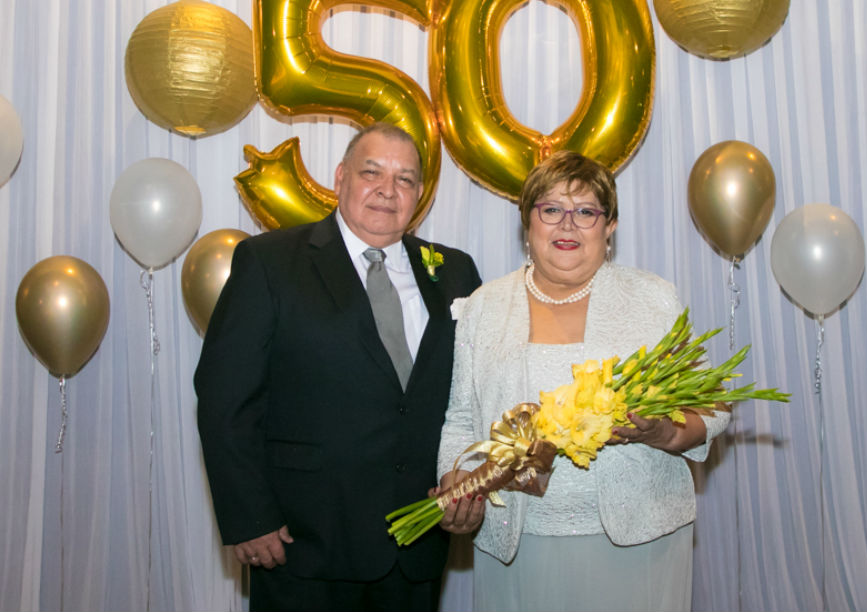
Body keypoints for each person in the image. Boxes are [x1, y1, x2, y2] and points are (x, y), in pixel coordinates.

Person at [195, 122, 481, 612]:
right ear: (340, 177)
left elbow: (472, 394)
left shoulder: (454, 271)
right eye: (372, 173)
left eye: (406, 179)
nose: (388, 191)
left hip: (416, 548)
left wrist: (470, 481)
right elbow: (226, 399)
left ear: (420, 193)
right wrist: (248, 517)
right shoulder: (269, 261)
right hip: (301, 544)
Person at [436, 151, 729, 612]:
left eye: (586, 212)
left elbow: (713, 405)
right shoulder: (482, 306)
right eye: (551, 209)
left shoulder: (653, 298)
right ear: (527, 223)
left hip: (638, 542)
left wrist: (667, 431)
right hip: (516, 542)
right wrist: (456, 487)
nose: (567, 226)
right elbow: (460, 418)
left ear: (609, 226)